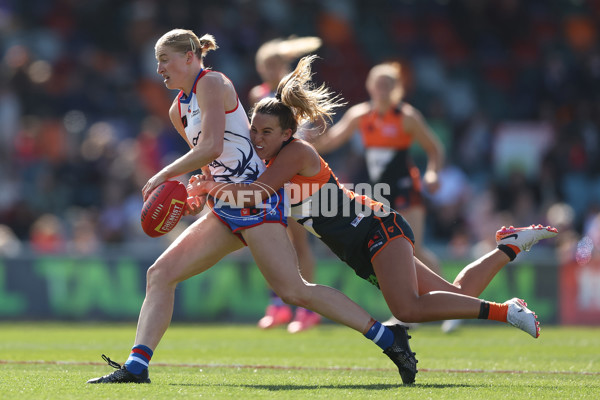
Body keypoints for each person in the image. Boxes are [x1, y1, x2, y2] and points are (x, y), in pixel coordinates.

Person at [87, 29, 418, 385]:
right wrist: (199, 194)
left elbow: (213, 145)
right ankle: (137, 366)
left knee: (294, 290)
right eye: (157, 61)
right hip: (226, 206)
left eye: (164, 59)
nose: (160, 68)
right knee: (159, 274)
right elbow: (209, 164)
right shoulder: (176, 109)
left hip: (255, 202)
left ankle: (389, 337)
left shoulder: (212, 83)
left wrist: (162, 174)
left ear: (189, 57)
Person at [188, 55, 558, 361]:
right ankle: (508, 247)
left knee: (409, 309)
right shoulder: (269, 160)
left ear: (287, 134)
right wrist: (210, 187)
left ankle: (506, 311)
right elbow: (249, 192)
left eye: (265, 132)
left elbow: (255, 193)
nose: (256, 138)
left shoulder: (295, 153)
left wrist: (210, 187)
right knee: (456, 292)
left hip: (374, 229)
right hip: (359, 244)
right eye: (253, 130)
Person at [314, 62, 445, 328]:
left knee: (414, 249)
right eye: (378, 84)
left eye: (388, 85)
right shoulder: (361, 115)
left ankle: (450, 301)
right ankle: (406, 310)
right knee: (392, 251)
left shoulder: (407, 117)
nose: (382, 90)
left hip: (406, 189)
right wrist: (304, 139)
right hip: (380, 194)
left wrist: (432, 173)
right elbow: (331, 141)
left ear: (396, 89)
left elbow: (435, 148)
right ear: (370, 86)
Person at [249, 36, 323, 333]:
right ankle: (277, 304)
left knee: (298, 241)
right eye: (265, 65)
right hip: (269, 173)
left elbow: (313, 131)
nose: (270, 70)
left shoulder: (293, 95)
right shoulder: (259, 94)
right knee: (269, 239)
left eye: (274, 64)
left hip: (294, 173)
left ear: (283, 65)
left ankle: (307, 310)